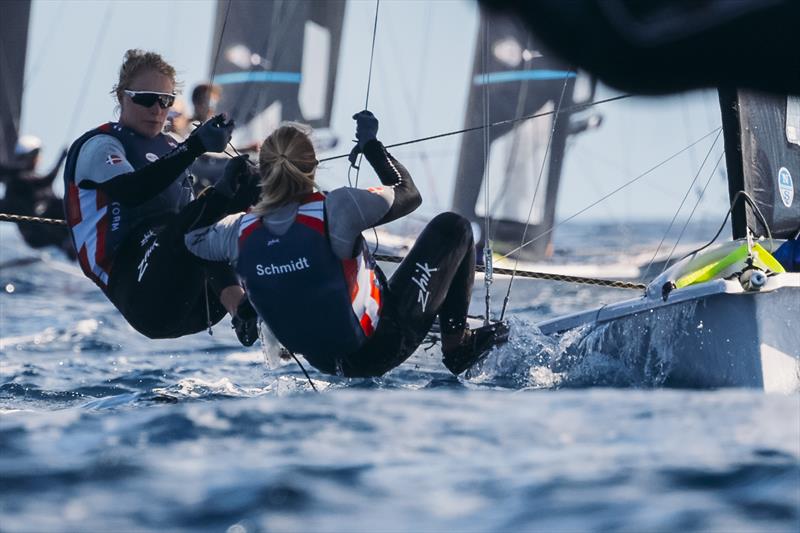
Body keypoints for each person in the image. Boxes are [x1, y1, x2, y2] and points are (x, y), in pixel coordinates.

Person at [185, 111, 509, 377]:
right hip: (381, 347)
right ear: (313, 168)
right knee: (453, 227)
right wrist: (371, 146)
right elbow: (408, 192)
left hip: (322, 361)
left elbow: (193, 238)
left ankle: (249, 317)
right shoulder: (337, 208)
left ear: (263, 173)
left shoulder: (240, 230)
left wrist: (225, 188)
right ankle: (458, 346)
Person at [63, 49, 259, 344]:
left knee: (244, 193)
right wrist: (194, 147)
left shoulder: (172, 145)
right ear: (121, 97)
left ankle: (244, 311)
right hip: (140, 294)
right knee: (188, 222)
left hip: (199, 305)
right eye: (145, 98)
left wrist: (243, 184)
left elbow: (199, 226)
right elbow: (133, 191)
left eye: (165, 101)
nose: (156, 109)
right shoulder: (101, 146)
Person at [0, 135, 75, 258]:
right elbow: (46, 180)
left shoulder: (30, 179)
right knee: (41, 216)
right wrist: (61, 159)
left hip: (53, 230)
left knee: (62, 204)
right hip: (36, 235)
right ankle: (67, 246)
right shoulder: (18, 180)